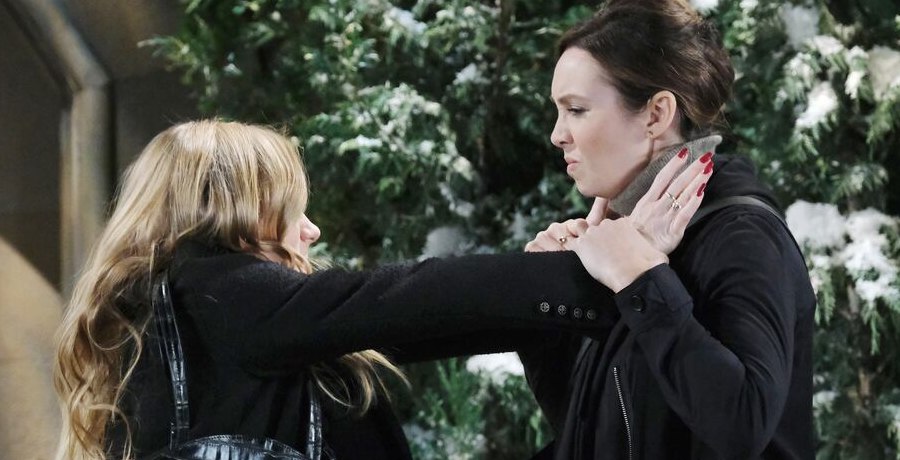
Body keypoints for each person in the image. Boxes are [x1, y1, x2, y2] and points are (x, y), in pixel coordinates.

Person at [53, 119, 708, 460]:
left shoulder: (189, 328)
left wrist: (563, 282)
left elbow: (427, 320)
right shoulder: (214, 294)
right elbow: (408, 299)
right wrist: (602, 266)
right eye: (290, 211)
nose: (311, 230)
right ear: (231, 216)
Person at [520, 0, 816, 459]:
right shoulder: (625, 234)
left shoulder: (743, 237)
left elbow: (745, 423)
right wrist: (549, 324)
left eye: (576, 109)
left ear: (657, 114)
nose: (558, 135)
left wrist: (640, 280)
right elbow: (606, 432)